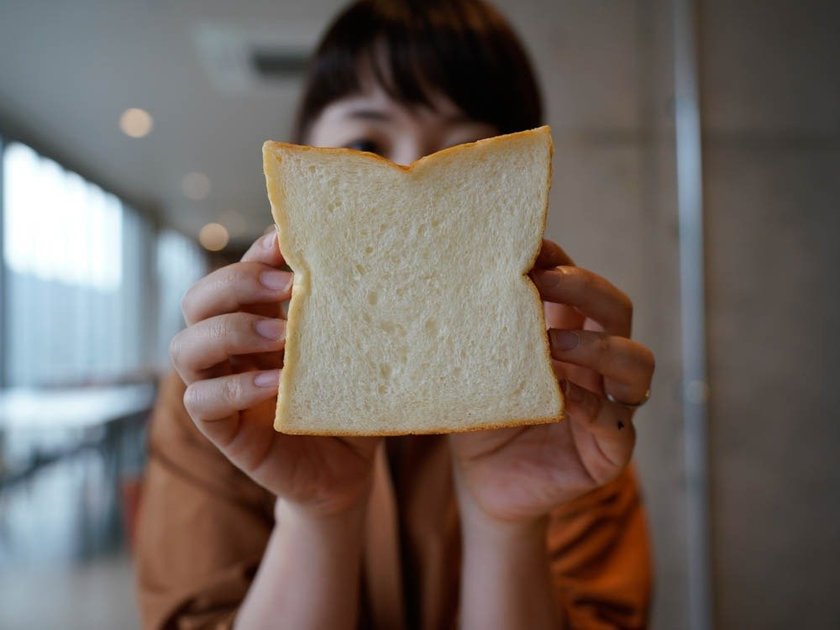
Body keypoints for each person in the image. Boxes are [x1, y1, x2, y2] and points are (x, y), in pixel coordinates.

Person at [135, 1, 656, 628]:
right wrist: (316, 515)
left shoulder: (565, 403)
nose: (411, 172)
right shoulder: (229, 389)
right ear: (299, 170)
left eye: (466, 152)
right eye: (364, 142)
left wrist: (507, 527)